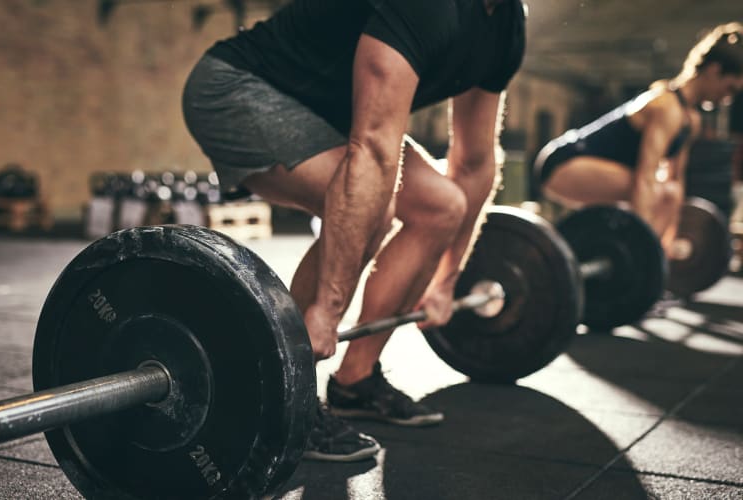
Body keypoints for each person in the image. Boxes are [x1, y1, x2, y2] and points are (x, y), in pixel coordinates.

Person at [183, 0, 526, 461]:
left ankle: (356, 381)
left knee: (442, 207)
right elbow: (374, 149)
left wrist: (447, 279)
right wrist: (328, 307)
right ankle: (282, 401)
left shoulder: (505, 23)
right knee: (371, 212)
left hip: (330, 112)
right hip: (240, 88)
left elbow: (475, 160)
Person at [535, 23, 743, 257]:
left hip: (599, 172)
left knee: (669, 191)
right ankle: (638, 255)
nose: (727, 99)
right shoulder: (666, 107)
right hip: (562, 164)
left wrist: (669, 240)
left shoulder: (690, 120)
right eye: (730, 89)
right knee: (656, 190)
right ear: (714, 71)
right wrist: (642, 249)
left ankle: (647, 257)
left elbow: (677, 181)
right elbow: (645, 179)